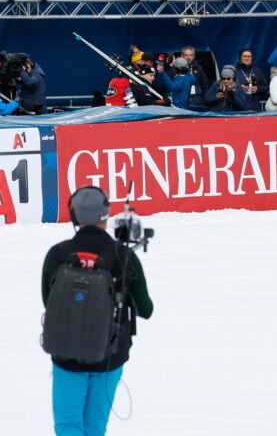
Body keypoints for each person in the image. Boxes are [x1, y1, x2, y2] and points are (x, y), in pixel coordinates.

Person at [42, 186, 154, 436]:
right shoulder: (124, 256)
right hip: (109, 356)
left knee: (68, 426)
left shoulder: (57, 255)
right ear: (106, 215)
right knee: (94, 429)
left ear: (75, 217)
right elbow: (145, 309)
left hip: (66, 355)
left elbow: (48, 302)